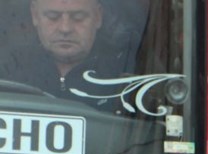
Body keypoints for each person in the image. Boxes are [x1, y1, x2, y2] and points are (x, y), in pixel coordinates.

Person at [0, 0, 128, 110]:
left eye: (78, 17)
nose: (65, 28)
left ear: (98, 16)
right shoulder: (9, 70)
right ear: (35, 15)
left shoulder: (125, 71)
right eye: (53, 17)